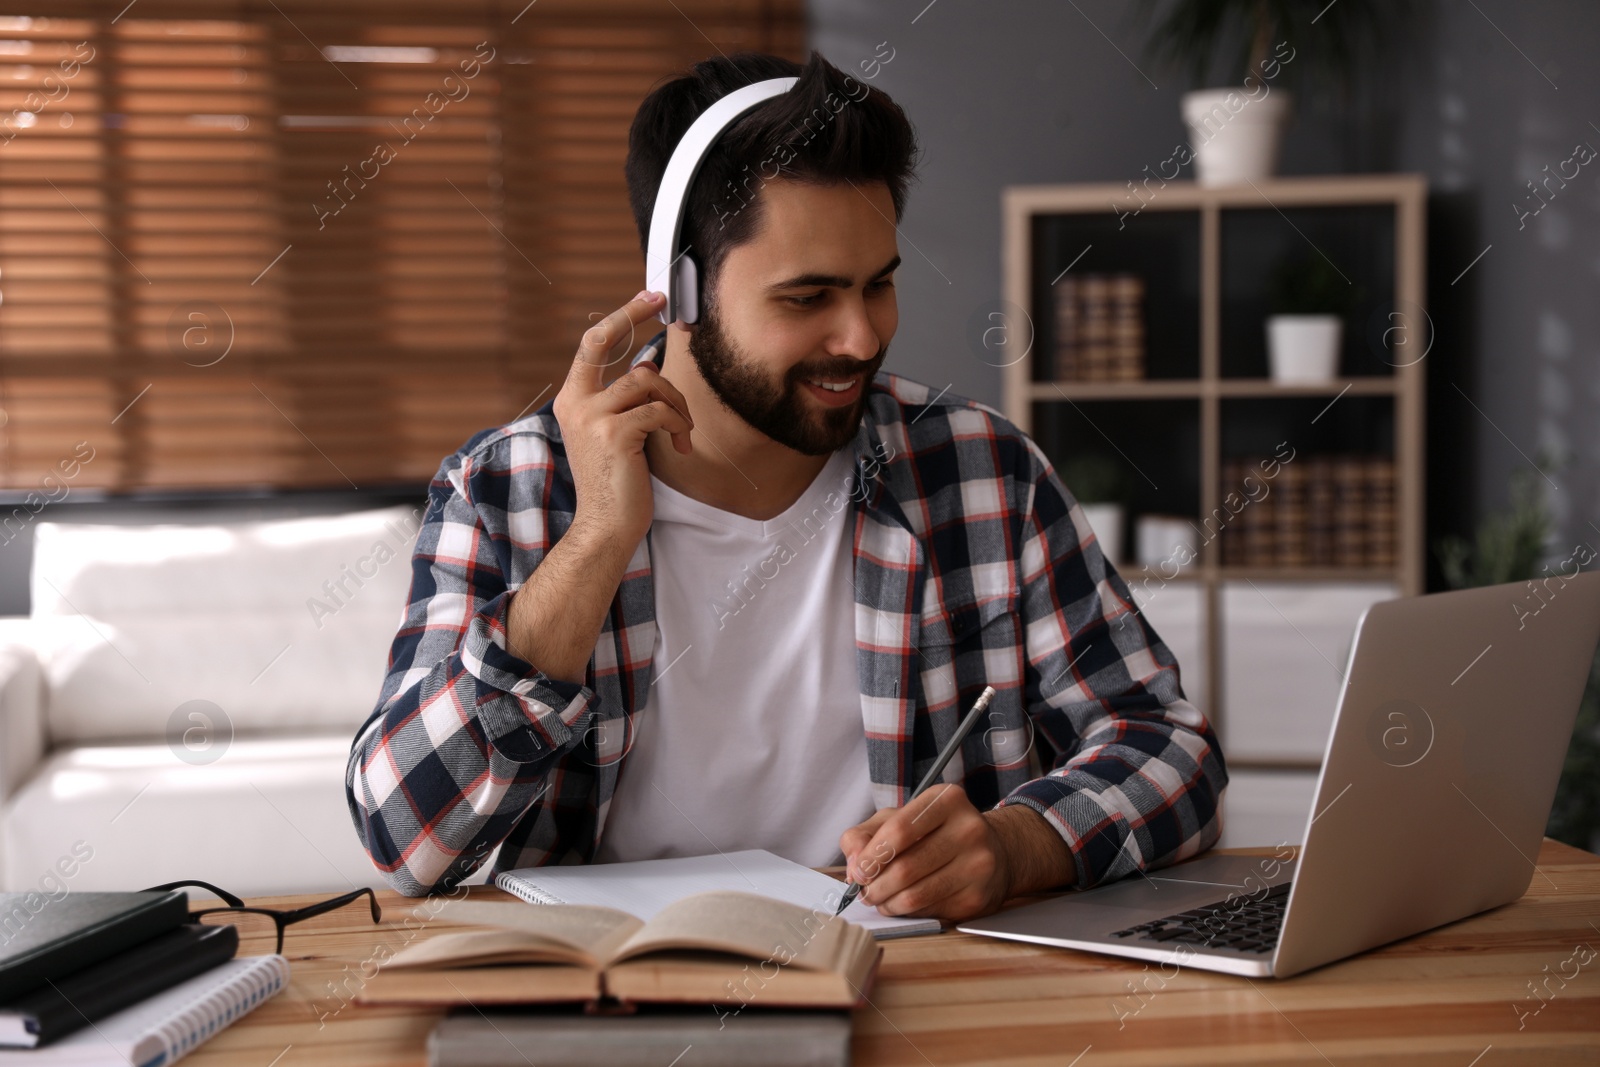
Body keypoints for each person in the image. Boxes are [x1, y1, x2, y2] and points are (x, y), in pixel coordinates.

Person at [345, 50, 1226, 922]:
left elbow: (1169, 746)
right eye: (808, 298)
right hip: (614, 1003)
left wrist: (1017, 846)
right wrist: (596, 539)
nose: (860, 336)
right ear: (675, 290)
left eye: (878, 285)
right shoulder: (508, 489)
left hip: (922, 991)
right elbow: (406, 840)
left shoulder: (982, 472)